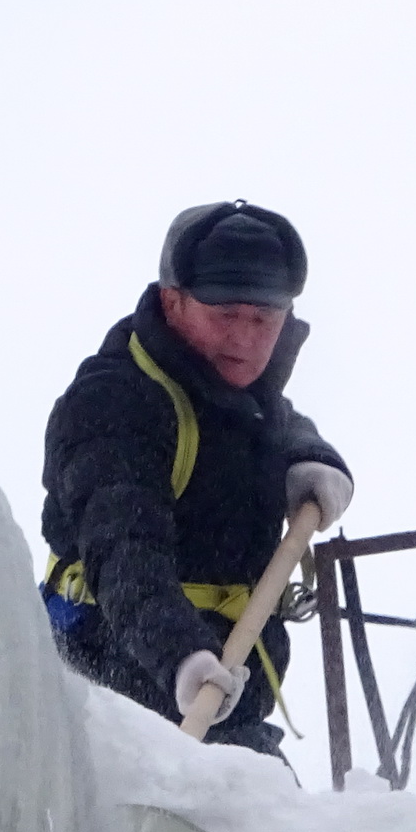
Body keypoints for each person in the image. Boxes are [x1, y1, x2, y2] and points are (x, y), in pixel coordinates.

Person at [40, 201, 354, 757]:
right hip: (103, 706)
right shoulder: (111, 402)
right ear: (173, 300)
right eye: (226, 316)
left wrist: (311, 457)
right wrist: (181, 656)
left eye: (264, 320)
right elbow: (123, 549)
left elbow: (276, 420)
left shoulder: (240, 395)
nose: (245, 339)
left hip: (226, 711)